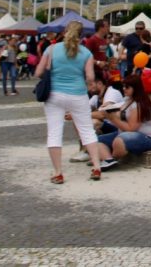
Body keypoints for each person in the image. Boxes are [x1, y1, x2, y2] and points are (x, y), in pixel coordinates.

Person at [34, 21, 103, 183]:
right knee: (87, 131)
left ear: (65, 32)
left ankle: (58, 172)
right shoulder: (86, 53)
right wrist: (89, 83)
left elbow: (38, 72)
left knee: (54, 132)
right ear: (82, 36)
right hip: (78, 95)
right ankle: (97, 167)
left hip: (54, 95)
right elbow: (90, 77)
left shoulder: (51, 49)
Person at [96, 73, 151, 169]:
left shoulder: (138, 105)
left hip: (147, 137)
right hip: (126, 134)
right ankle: (108, 160)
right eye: (123, 86)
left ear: (135, 88)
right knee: (96, 140)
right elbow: (117, 116)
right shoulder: (127, 100)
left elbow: (132, 128)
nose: (124, 89)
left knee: (119, 141)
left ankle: (111, 158)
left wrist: (112, 118)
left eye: (127, 87)